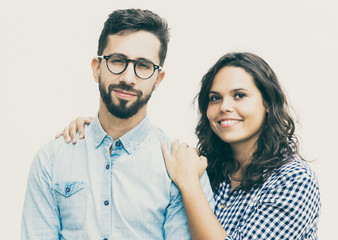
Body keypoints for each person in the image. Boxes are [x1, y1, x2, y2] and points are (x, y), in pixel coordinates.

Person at [64, 52, 321, 239]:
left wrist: (189, 184)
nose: (224, 107)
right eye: (215, 98)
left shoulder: (293, 180)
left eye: (239, 95)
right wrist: (98, 132)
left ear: (267, 103)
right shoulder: (209, 169)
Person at [21, 8, 214, 240]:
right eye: (117, 61)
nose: (128, 78)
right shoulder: (51, 159)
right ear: (96, 68)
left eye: (143, 65)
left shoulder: (180, 169)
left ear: (157, 80)